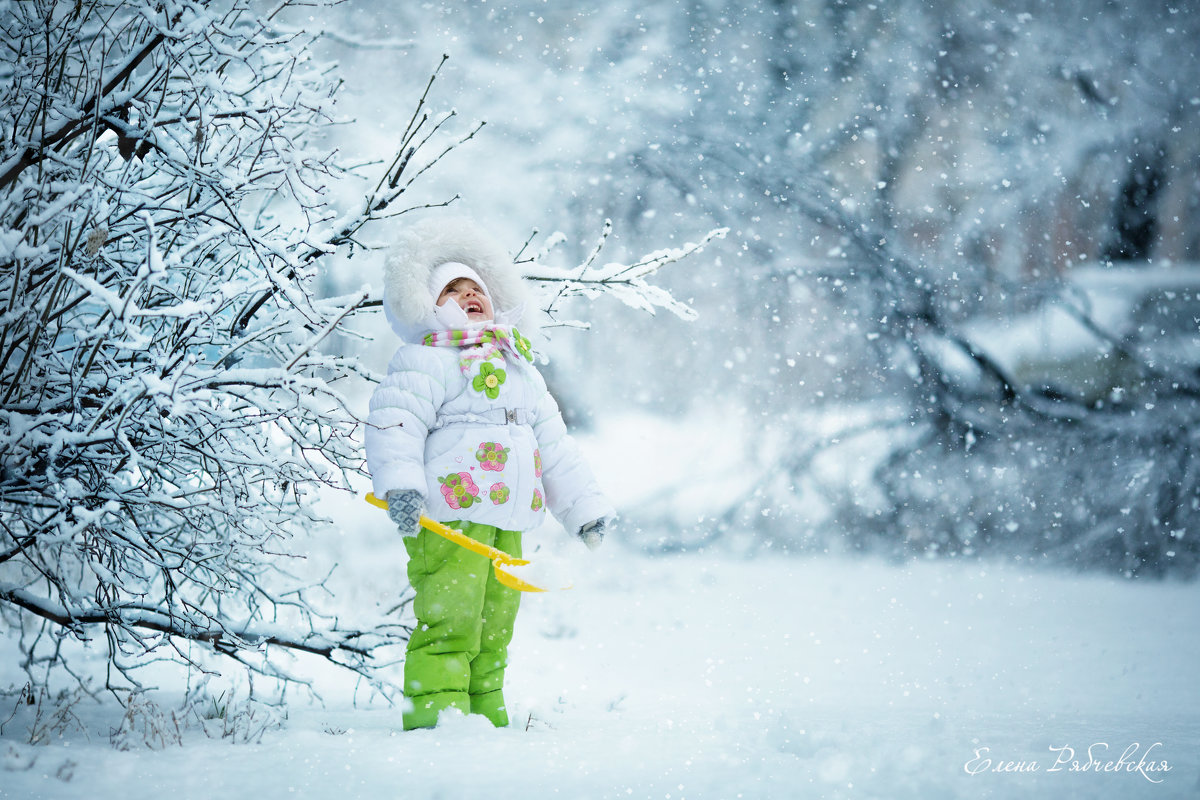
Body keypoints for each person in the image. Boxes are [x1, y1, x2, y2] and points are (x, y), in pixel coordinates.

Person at [365, 217, 615, 730]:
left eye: (475, 288)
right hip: (449, 516)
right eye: (452, 291)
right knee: (451, 620)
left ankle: (485, 720)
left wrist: (584, 511)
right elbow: (395, 423)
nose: (467, 296)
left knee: (495, 625)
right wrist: (403, 489)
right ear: (431, 306)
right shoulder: (425, 359)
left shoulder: (520, 366)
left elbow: (556, 446)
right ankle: (437, 720)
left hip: (509, 519)